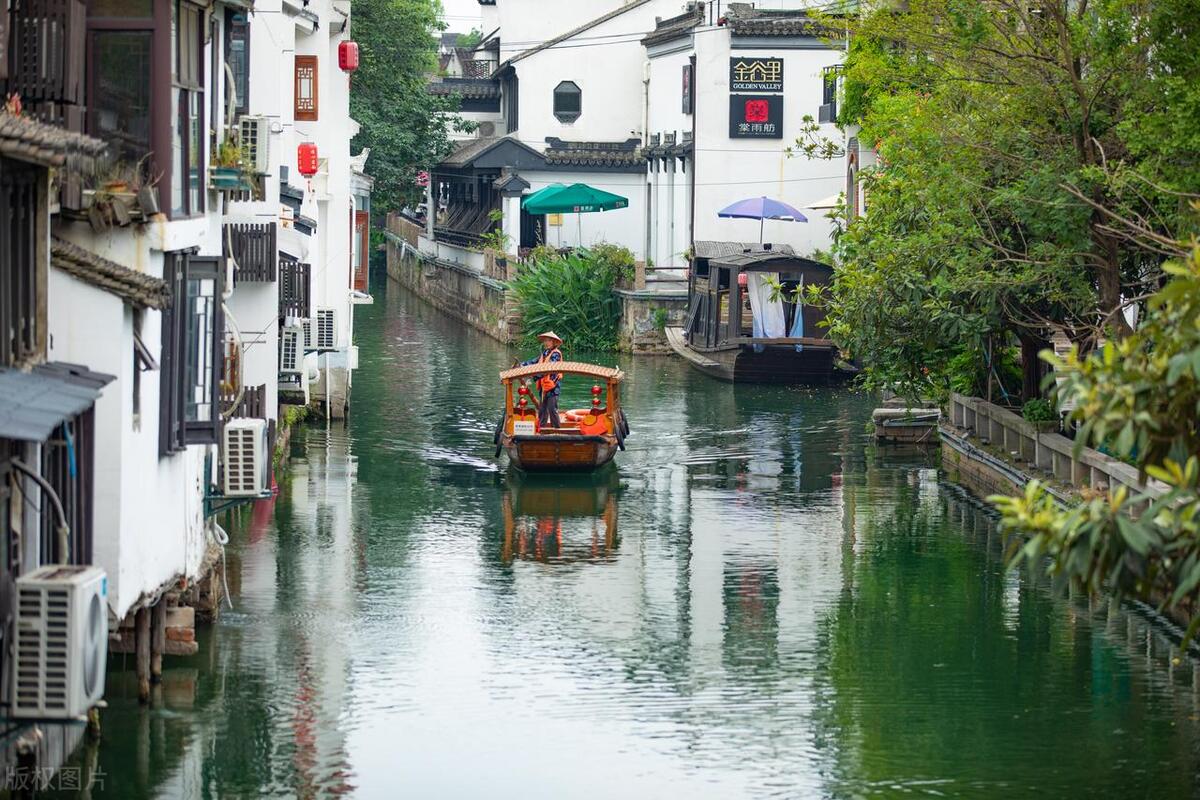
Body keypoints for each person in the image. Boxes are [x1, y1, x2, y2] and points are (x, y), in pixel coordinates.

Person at [521, 331, 564, 429]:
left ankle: (556, 429)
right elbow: (534, 362)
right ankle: (541, 428)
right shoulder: (545, 353)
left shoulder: (556, 354)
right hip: (543, 386)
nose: (546, 343)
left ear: (554, 342)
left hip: (553, 386)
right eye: (545, 341)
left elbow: (549, 369)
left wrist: (533, 376)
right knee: (542, 409)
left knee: (552, 409)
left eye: (549, 341)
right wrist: (522, 365)